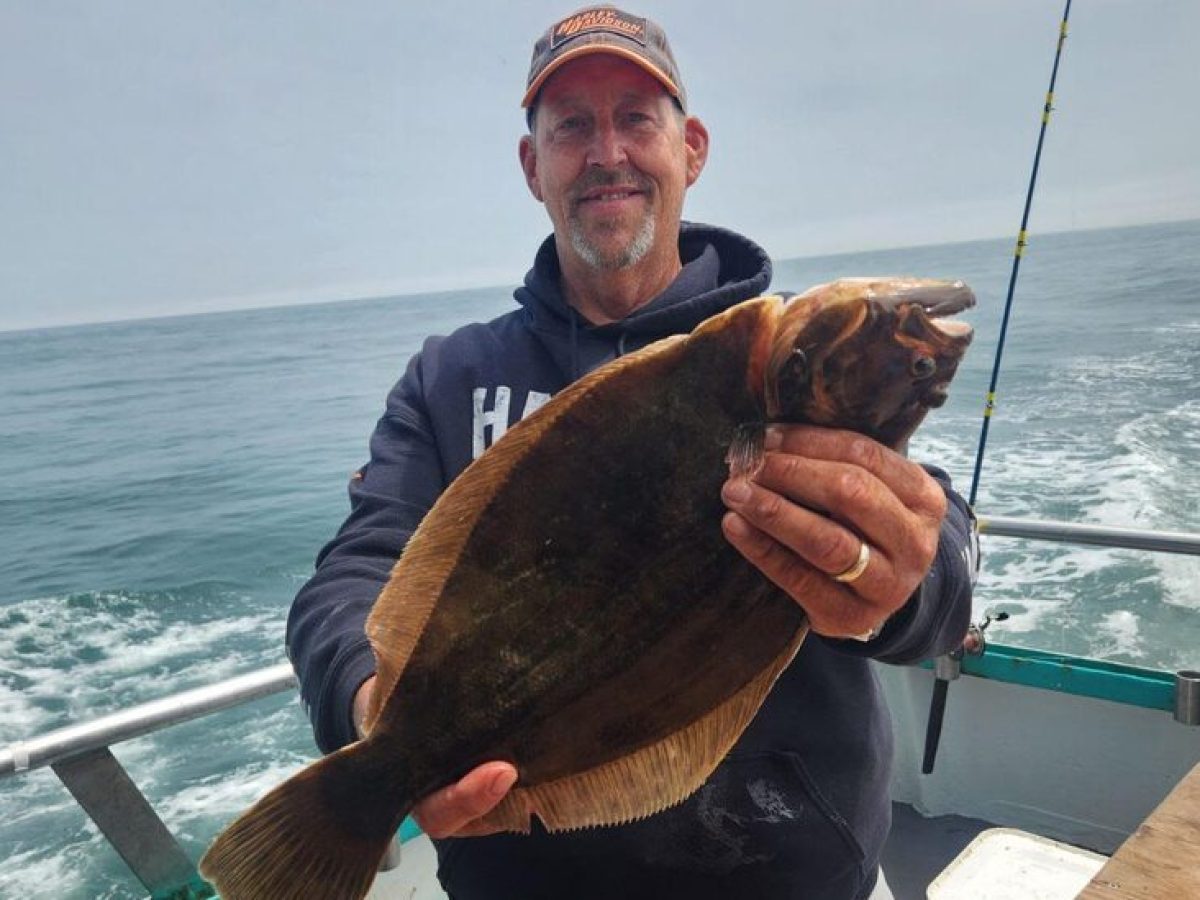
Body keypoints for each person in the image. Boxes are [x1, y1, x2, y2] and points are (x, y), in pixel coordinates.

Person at [287, 6, 976, 899]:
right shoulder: (451, 377)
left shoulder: (802, 362)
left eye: (636, 119)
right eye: (572, 124)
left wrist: (905, 577)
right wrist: (375, 714)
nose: (606, 151)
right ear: (533, 166)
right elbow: (353, 573)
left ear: (690, 148)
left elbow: (938, 547)